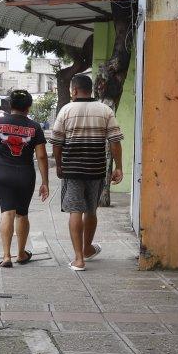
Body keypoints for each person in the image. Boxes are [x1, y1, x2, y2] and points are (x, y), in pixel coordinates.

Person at [49, 74, 124, 271]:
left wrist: (59, 165)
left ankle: (79, 258)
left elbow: (57, 143)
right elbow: (115, 141)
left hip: (72, 170)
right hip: (96, 168)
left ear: (73, 90)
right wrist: (119, 167)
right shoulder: (104, 110)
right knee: (91, 211)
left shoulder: (66, 110)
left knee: (75, 210)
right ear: (90, 89)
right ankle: (88, 248)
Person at [0, 90, 50, 268]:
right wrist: (45, 182)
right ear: (29, 106)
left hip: (2, 173)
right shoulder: (35, 127)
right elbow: (41, 157)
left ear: (10, 105)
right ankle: (21, 254)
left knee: (6, 212)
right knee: (22, 214)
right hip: (25, 174)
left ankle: (6, 256)